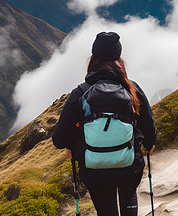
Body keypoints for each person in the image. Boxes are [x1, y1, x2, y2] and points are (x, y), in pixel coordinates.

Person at [52, 32, 156, 216]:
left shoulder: (80, 93)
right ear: (119, 59)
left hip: (94, 169)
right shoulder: (132, 89)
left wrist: (72, 146)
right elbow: (148, 123)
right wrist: (148, 144)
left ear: (93, 58)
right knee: (128, 194)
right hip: (129, 166)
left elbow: (59, 139)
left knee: (106, 209)